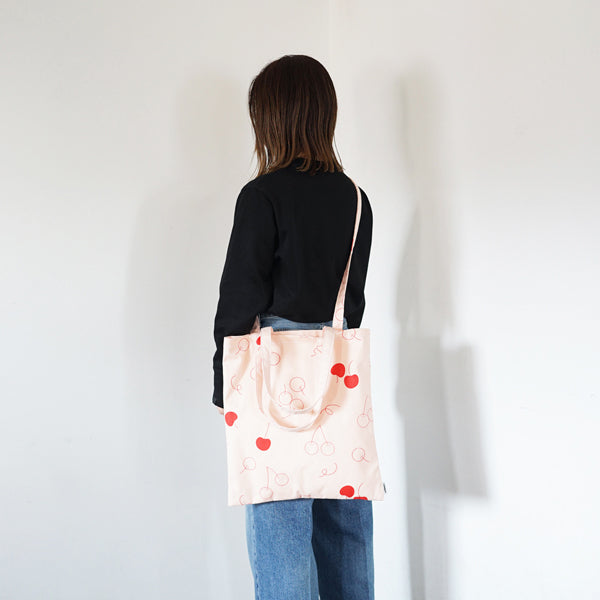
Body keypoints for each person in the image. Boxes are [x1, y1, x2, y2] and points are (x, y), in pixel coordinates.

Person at [211, 54, 375, 600]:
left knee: (279, 524)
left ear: (271, 118)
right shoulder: (356, 199)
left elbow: (239, 298)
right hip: (338, 369)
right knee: (346, 526)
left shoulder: (261, 196)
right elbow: (351, 301)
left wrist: (225, 382)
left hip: (270, 371)